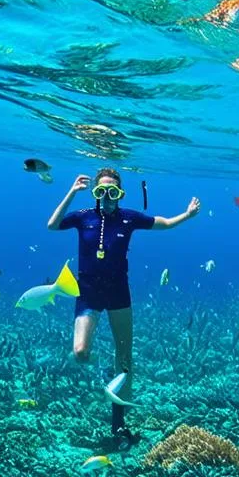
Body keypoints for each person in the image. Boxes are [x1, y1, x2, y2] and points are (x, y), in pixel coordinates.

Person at [48, 168, 200, 443]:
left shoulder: (129, 218)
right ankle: (105, 374)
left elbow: (163, 223)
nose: (107, 197)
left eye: (113, 191)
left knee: (125, 356)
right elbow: (52, 224)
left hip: (119, 292)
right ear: (95, 193)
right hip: (89, 291)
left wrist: (187, 216)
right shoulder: (84, 217)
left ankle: (118, 422)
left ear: (120, 194)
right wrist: (71, 192)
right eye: (101, 191)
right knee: (80, 352)